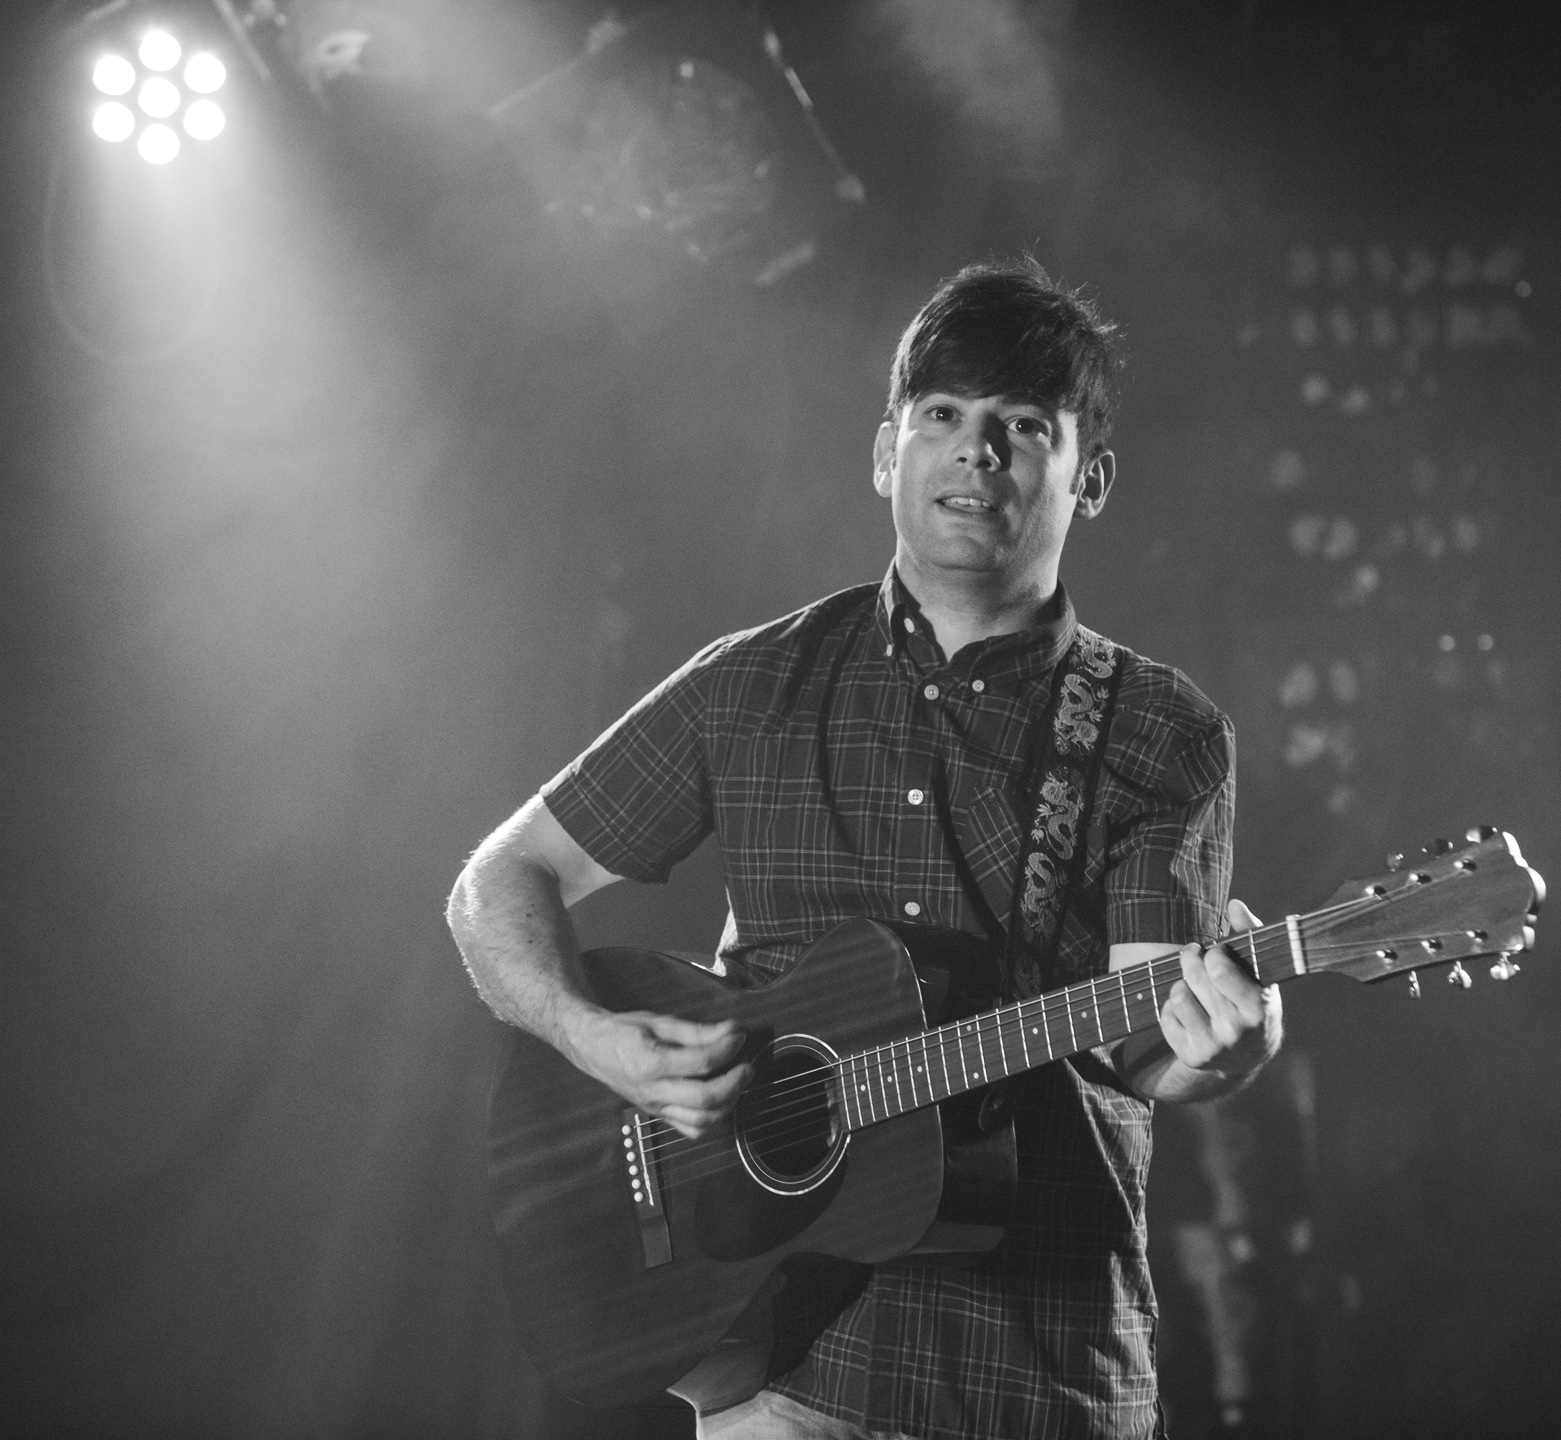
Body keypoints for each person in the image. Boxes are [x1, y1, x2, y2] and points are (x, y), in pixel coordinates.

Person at [446, 258, 1284, 1440]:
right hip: (784, 1370)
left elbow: (1149, 1037)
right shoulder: (752, 683)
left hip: (1037, 1375)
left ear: (1089, 477)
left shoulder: (1159, 730)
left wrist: (1224, 1051)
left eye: (1022, 425)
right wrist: (593, 1039)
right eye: (941, 414)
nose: (974, 451)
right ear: (887, 453)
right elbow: (497, 882)